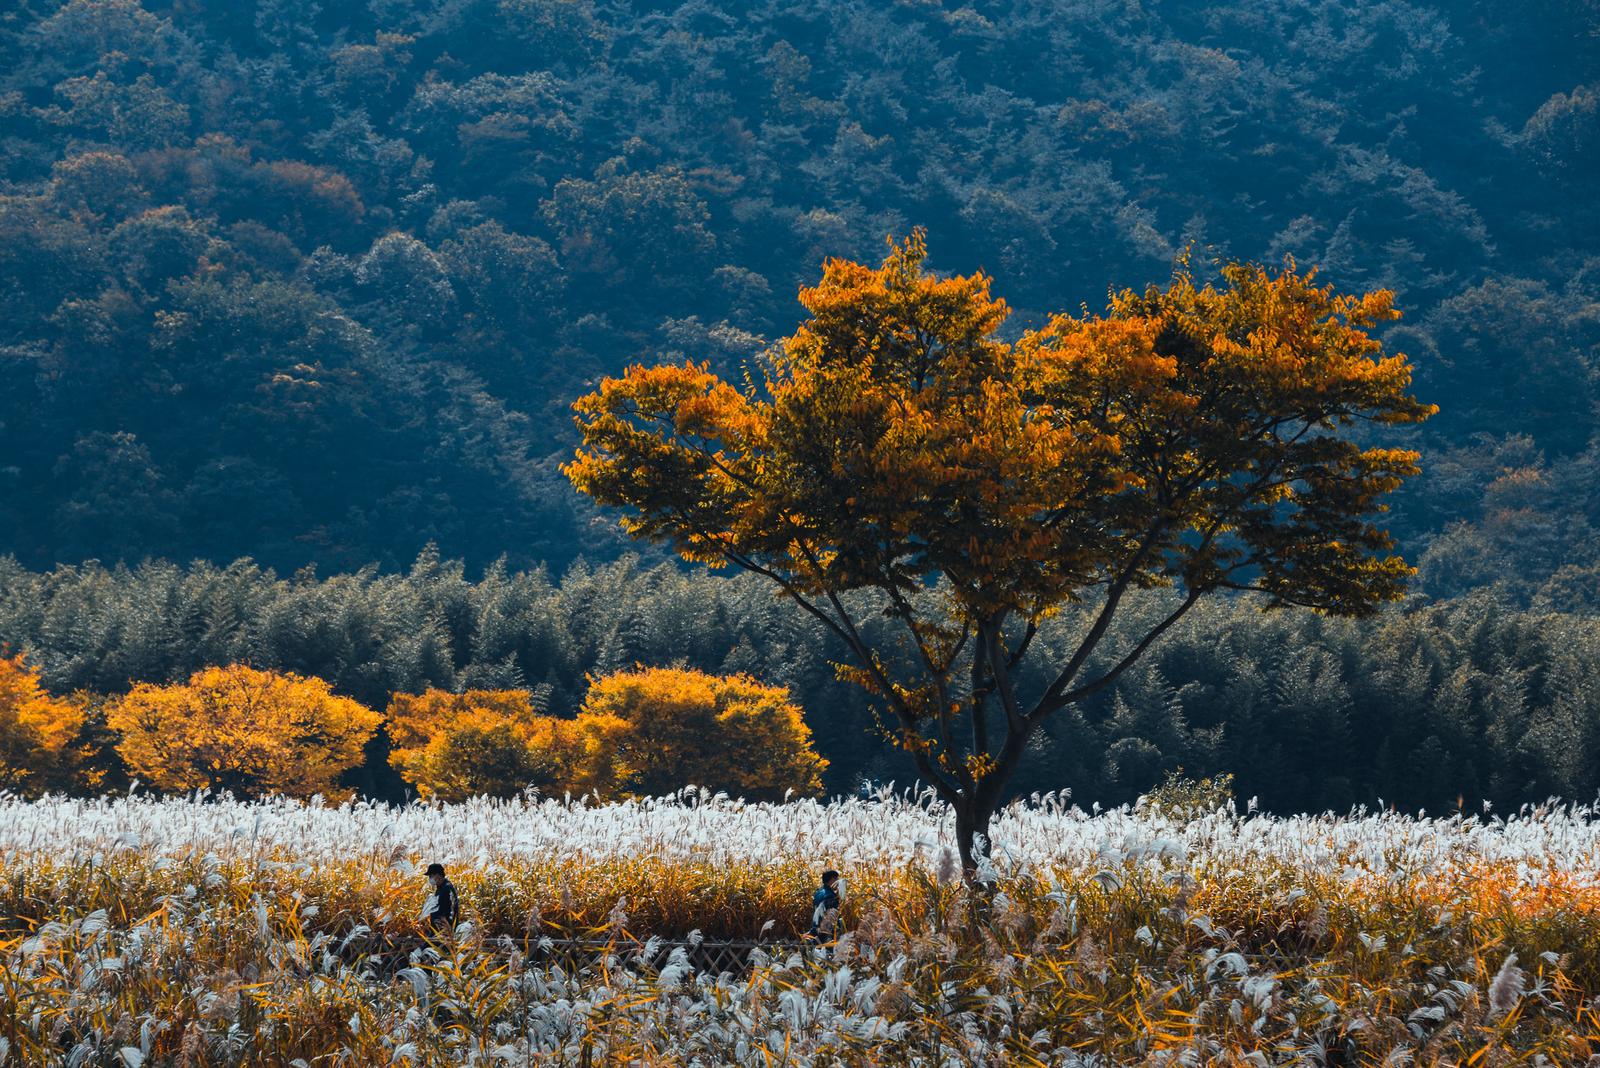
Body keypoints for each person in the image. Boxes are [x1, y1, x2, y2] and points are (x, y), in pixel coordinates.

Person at [807, 868, 843, 942]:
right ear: (832, 879)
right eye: (837, 879)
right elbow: (831, 917)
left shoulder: (818, 892)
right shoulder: (830, 895)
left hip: (815, 927)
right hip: (825, 932)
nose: (838, 882)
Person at [422, 862, 457, 936]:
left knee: (425, 947)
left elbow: (451, 910)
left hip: (444, 931)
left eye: (431, 876)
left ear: (438, 875)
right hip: (437, 930)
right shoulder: (440, 887)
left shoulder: (447, 888)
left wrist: (446, 928)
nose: (430, 879)